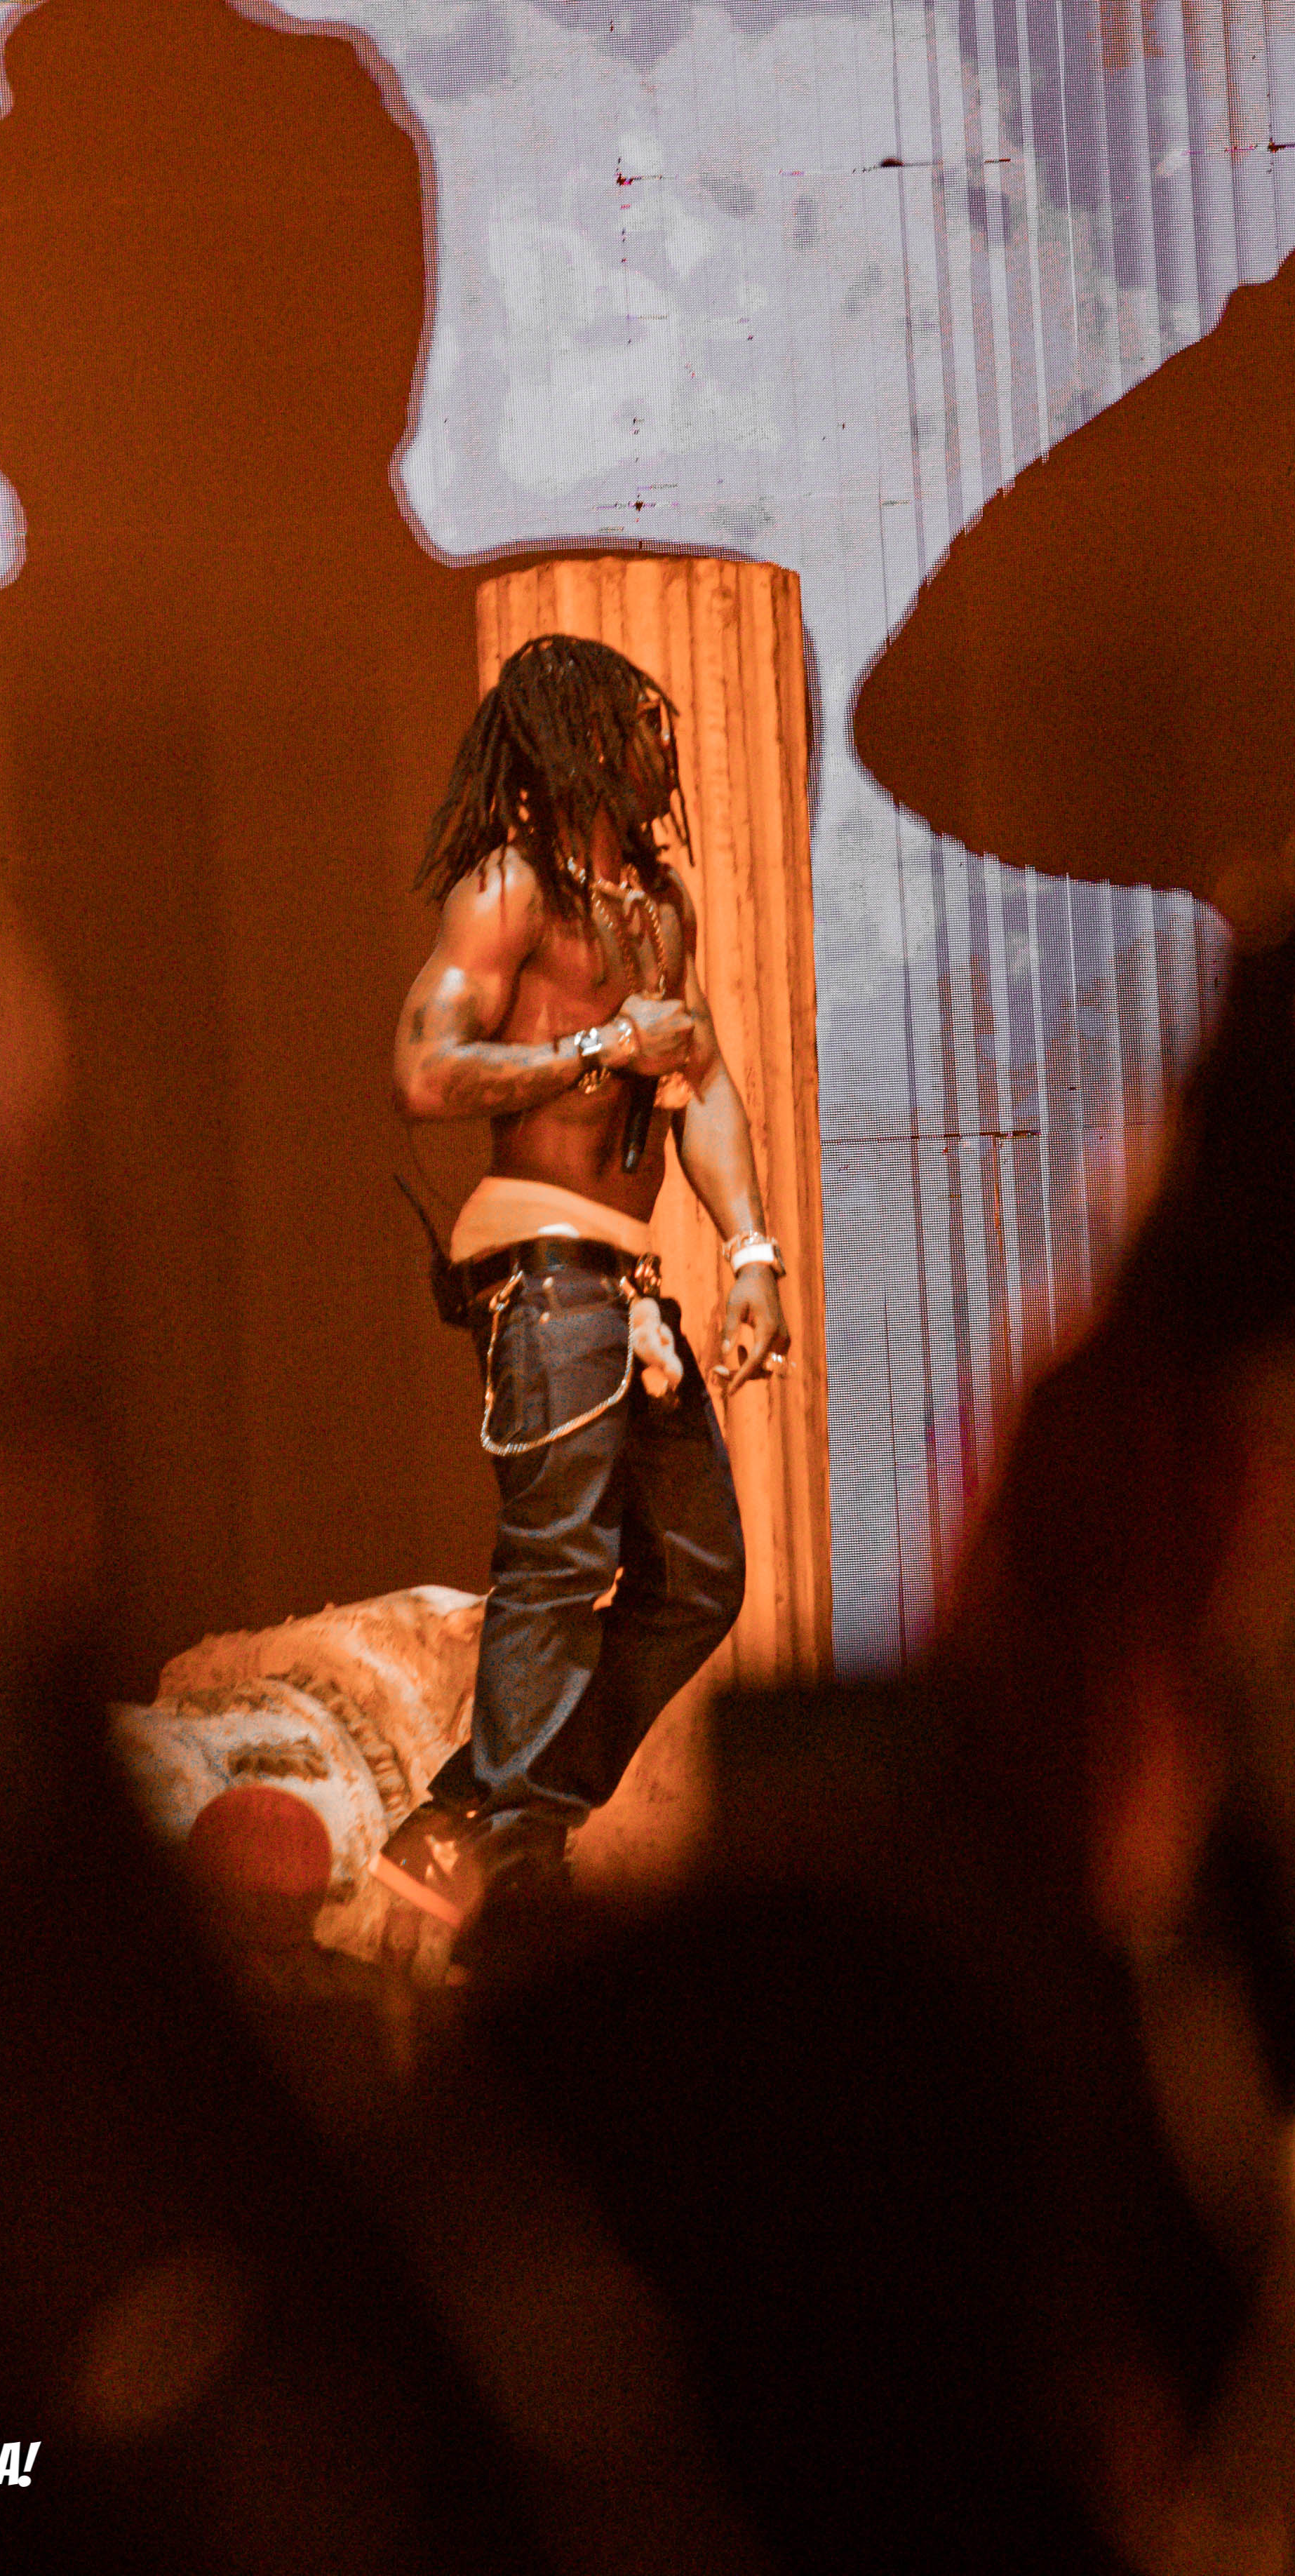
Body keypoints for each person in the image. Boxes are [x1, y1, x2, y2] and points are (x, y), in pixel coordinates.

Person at [382, 633, 790, 1951]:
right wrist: (606, 1044)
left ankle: (471, 1817)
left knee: (701, 1577)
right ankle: (512, 1856)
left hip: (627, 1284)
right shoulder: (510, 892)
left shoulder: (657, 906)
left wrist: (752, 1255)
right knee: (559, 1567)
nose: (662, 743)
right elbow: (427, 1073)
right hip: (542, 1275)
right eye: (637, 721)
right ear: (577, 741)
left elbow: (702, 1083)